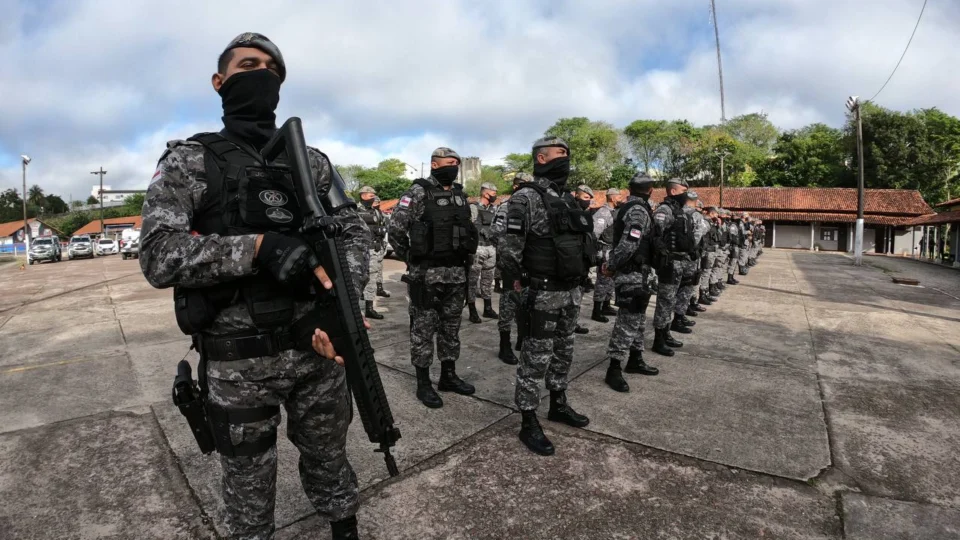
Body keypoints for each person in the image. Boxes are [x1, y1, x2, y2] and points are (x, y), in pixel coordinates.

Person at [139, 33, 363, 540]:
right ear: (220, 82)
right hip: (238, 363)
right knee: (247, 492)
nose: (261, 72)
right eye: (247, 64)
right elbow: (157, 257)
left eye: (271, 67)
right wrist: (257, 249)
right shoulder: (190, 161)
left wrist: (338, 310)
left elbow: (353, 233)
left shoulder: (314, 163)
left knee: (331, 463)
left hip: (316, 352)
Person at [499, 136, 594, 456]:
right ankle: (528, 419)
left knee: (564, 353)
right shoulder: (524, 198)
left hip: (570, 292)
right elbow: (510, 251)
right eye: (560, 154)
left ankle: (558, 404)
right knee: (534, 358)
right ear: (541, 159)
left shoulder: (567, 199)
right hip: (541, 292)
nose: (566, 159)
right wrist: (519, 286)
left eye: (568, 153)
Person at [389, 147, 477, 409]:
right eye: (449, 162)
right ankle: (423, 383)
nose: (454, 166)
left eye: (457, 163)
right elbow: (395, 229)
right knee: (423, 329)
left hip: (456, 274)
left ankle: (448, 376)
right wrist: (412, 259)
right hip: (426, 276)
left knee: (451, 328)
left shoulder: (460, 195)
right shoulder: (417, 193)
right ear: (435, 165)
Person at [602, 173, 660, 393]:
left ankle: (635, 359)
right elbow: (629, 244)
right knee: (627, 319)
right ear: (650, 190)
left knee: (637, 319)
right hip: (631, 272)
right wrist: (612, 265)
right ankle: (614, 368)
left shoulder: (635, 206)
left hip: (640, 273)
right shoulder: (637, 210)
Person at [650, 178, 696, 357]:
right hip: (668, 264)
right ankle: (658, 340)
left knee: (672, 300)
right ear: (674, 191)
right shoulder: (664, 210)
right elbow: (656, 236)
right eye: (684, 190)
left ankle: (666, 333)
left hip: (680, 263)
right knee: (665, 302)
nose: (686, 193)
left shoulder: (680, 212)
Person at [492, 173, 531, 365]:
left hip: (528, 264)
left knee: (525, 305)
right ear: (515, 186)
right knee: (508, 306)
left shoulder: (532, 206)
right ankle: (504, 346)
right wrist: (506, 252)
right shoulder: (506, 207)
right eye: (523, 185)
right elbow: (496, 232)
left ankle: (521, 340)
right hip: (510, 264)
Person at [467, 182, 500, 323]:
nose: (495, 196)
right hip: (477, 248)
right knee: (472, 281)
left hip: (490, 247)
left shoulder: (494, 209)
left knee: (487, 279)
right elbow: (468, 227)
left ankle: (487, 309)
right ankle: (472, 311)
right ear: (486, 193)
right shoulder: (473, 208)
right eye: (493, 193)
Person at [358, 187, 389, 320]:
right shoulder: (354, 211)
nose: (373, 198)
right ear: (363, 196)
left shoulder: (375, 212)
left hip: (374, 249)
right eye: (371, 195)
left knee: (371, 277)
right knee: (358, 278)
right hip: (359, 251)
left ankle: (369, 308)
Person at [590, 187, 620, 323]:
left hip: (612, 250)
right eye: (619, 196)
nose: (621, 199)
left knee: (610, 280)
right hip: (604, 251)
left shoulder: (614, 212)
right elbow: (595, 234)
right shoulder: (603, 213)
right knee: (602, 281)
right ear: (613, 198)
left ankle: (606, 305)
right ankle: (596, 311)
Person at [698, 206, 721, 306]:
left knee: (708, 272)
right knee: (705, 273)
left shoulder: (711, 222)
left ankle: (705, 292)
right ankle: (701, 295)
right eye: (716, 214)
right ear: (711, 213)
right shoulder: (704, 222)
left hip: (710, 250)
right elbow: (701, 236)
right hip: (706, 251)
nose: (717, 216)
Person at [726, 212, 741, 285]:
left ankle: (731, 277)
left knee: (734, 262)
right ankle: (729, 278)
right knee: (732, 262)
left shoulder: (736, 225)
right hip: (733, 246)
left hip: (736, 246)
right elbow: (732, 237)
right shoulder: (732, 225)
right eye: (737, 217)